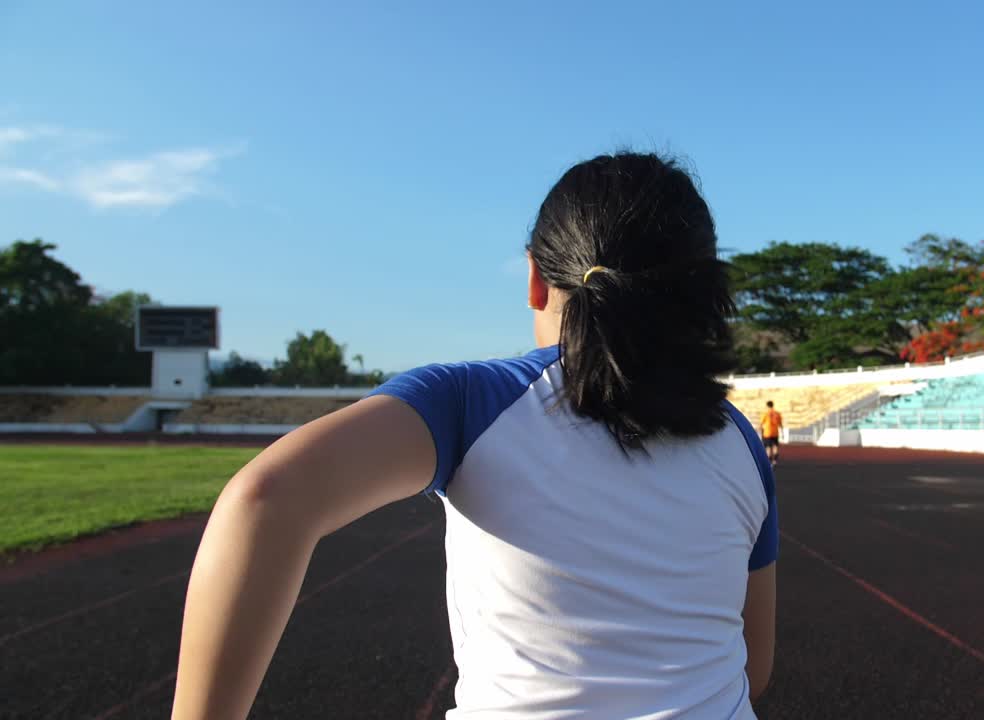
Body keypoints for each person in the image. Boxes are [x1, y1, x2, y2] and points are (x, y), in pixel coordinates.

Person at [172, 152, 778, 719]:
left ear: (536, 279)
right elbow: (755, 664)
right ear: (698, 293)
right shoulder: (742, 442)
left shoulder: (470, 402)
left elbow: (266, 500)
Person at [759, 401, 782, 466]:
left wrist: (760, 431)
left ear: (767, 406)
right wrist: (782, 433)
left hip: (767, 433)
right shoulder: (777, 413)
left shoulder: (766, 414)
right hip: (775, 433)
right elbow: (780, 424)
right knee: (775, 446)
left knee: (768, 447)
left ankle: (769, 462)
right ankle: (775, 461)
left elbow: (761, 423)